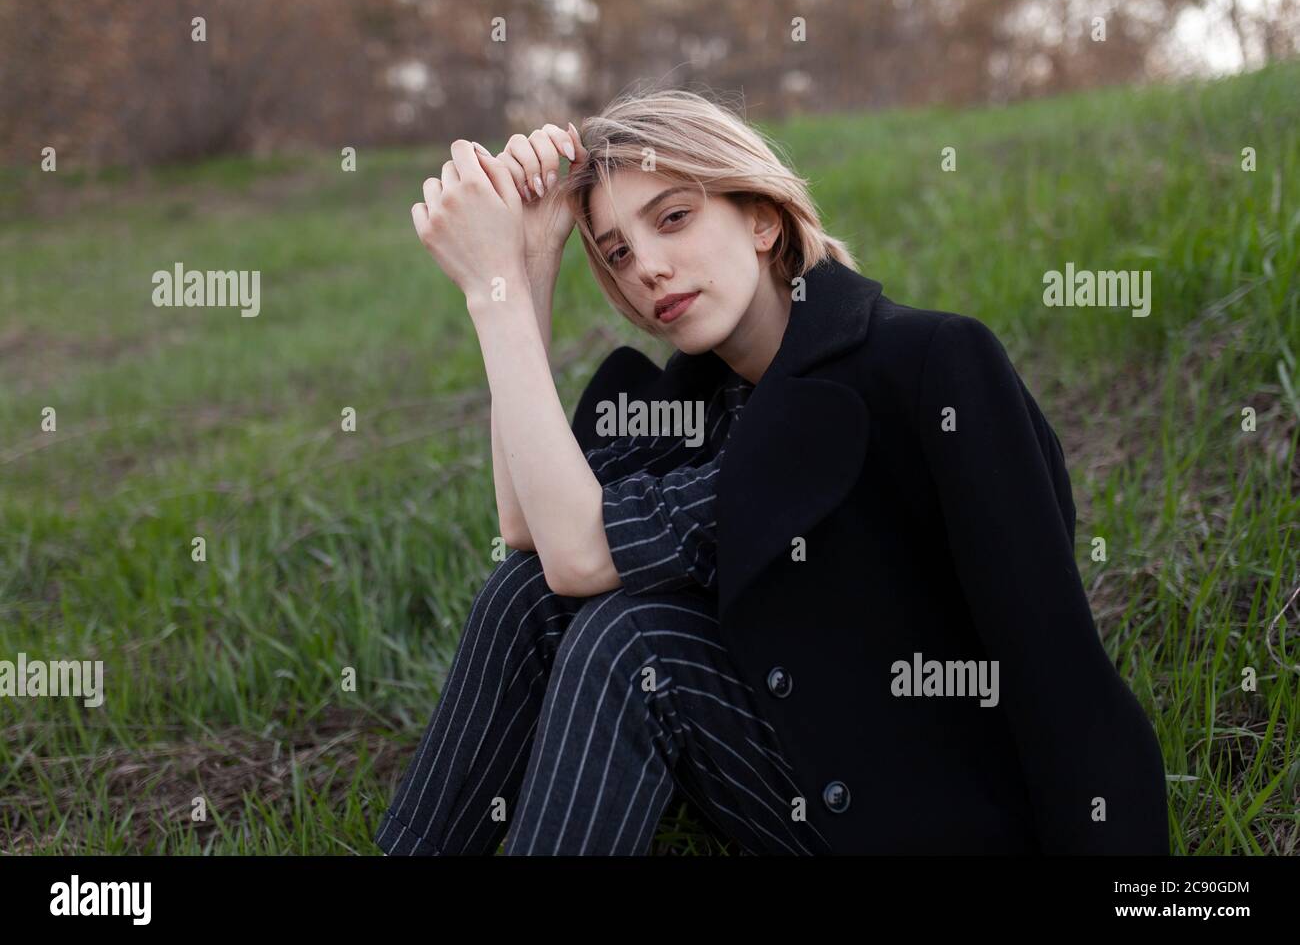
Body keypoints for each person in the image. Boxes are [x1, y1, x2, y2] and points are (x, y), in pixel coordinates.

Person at [374, 85, 1170, 855]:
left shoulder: (923, 364)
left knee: (634, 642)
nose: (646, 266)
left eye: (674, 218)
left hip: (937, 816)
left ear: (759, 217)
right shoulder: (697, 406)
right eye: (617, 253)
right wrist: (532, 260)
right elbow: (533, 537)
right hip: (801, 779)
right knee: (527, 593)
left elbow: (1055, 658)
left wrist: (493, 293)